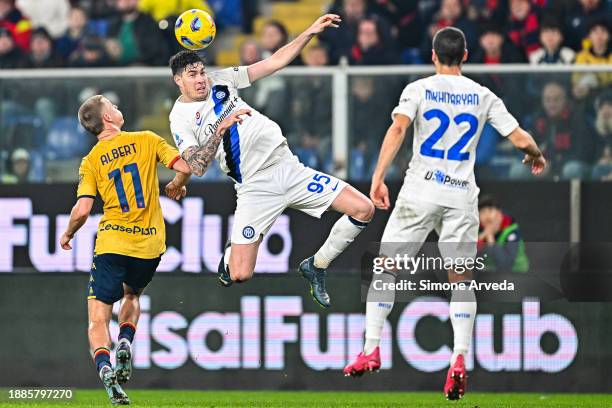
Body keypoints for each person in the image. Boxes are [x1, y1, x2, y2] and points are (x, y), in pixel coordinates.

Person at [343, 27, 546, 401]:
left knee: (386, 268)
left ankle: (371, 347)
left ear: (433, 56)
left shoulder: (418, 89)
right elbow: (519, 137)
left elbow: (399, 128)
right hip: (461, 196)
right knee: (461, 279)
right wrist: (535, 154)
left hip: (420, 191)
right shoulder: (483, 96)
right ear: (465, 55)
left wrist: (377, 178)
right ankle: (458, 358)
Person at [168, 14, 375, 309]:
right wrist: (221, 129)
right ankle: (231, 256)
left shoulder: (222, 79)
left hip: (288, 167)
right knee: (240, 274)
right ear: (178, 80)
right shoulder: (180, 118)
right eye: (192, 75)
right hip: (254, 187)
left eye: (201, 71)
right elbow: (196, 167)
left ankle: (317, 265)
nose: (201, 79)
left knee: (363, 209)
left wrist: (309, 31)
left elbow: (274, 62)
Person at [59, 95, 194, 405]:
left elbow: (82, 210)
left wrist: (68, 233)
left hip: (112, 243)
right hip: (149, 245)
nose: (119, 109)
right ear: (107, 118)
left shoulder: (91, 161)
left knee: (96, 319)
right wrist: (177, 183)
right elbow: (186, 166)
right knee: (132, 295)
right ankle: (125, 341)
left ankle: (106, 368)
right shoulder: (147, 139)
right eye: (113, 106)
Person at [478, 195, 529, 273]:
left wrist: (490, 238)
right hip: (489, 275)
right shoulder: (478, 232)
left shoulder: (512, 232)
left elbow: (505, 265)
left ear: (499, 213)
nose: (487, 216)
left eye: (490, 210)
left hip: (516, 276)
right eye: (482, 212)